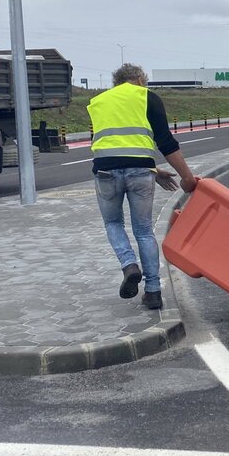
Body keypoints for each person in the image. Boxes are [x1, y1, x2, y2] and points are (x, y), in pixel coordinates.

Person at [88, 64, 197, 310]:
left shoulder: (97, 101)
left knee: (113, 223)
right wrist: (186, 177)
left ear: (117, 82)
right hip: (140, 172)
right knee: (144, 231)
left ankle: (129, 266)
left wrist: (156, 171)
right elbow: (166, 142)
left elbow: (110, 144)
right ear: (139, 79)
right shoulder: (147, 97)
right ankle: (153, 291)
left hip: (105, 171)